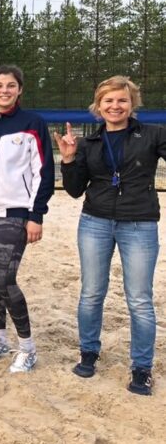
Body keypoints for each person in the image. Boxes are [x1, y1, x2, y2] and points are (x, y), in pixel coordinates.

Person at [56, 76, 164, 395]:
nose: (115, 106)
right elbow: (75, 190)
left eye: (122, 100)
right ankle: (88, 353)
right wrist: (68, 159)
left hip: (139, 223)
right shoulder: (89, 143)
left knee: (139, 299)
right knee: (91, 293)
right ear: (98, 106)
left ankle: (141, 368)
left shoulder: (153, 135)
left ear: (132, 104)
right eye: (109, 101)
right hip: (95, 222)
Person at [0, 65, 53, 374]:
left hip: (17, 211)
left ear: (20, 90)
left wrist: (36, 215)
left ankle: (28, 348)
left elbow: (43, 172)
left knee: (4, 277)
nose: (5, 90)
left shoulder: (33, 123)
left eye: (11, 85)